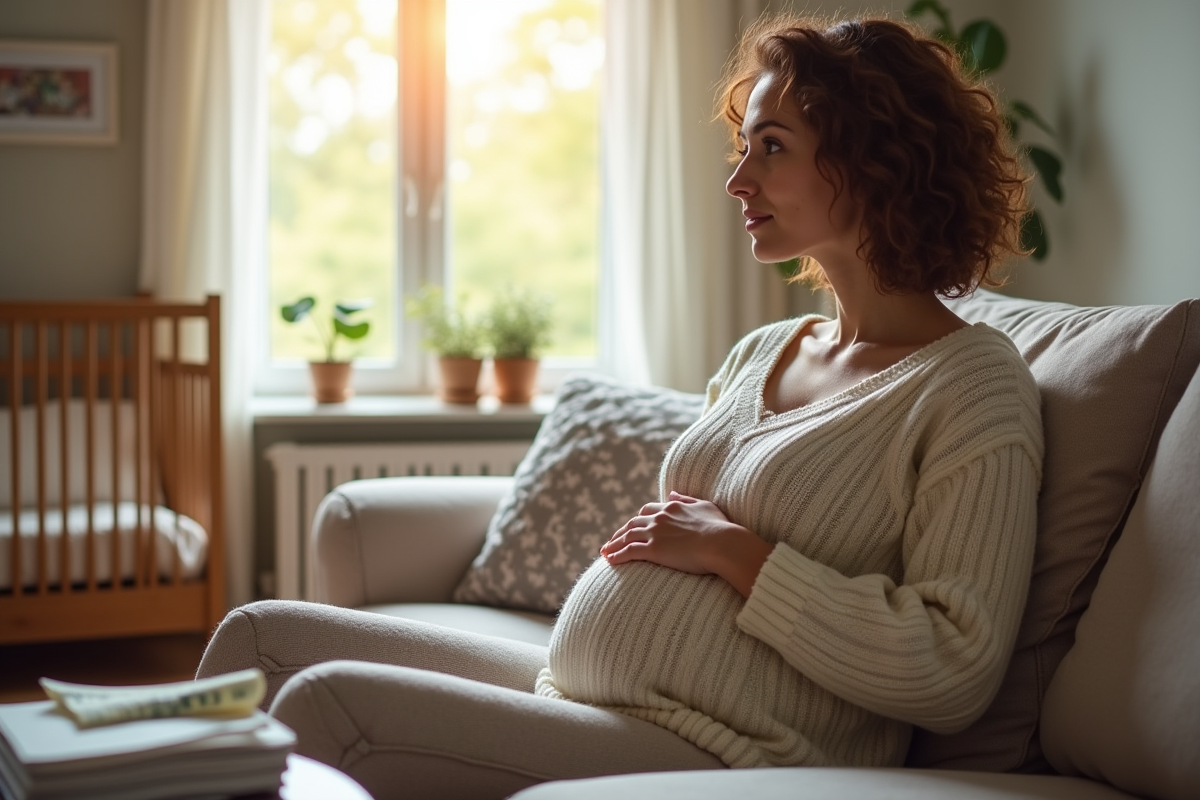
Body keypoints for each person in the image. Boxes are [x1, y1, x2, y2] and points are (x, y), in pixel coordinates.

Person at [197, 13, 1042, 798]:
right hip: (588, 692)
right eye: (743, 147)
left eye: (772, 147)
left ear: (874, 161)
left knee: (330, 707)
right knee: (259, 640)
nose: (738, 179)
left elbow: (952, 667)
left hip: (734, 749)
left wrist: (741, 556)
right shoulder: (763, 352)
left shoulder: (968, 384)